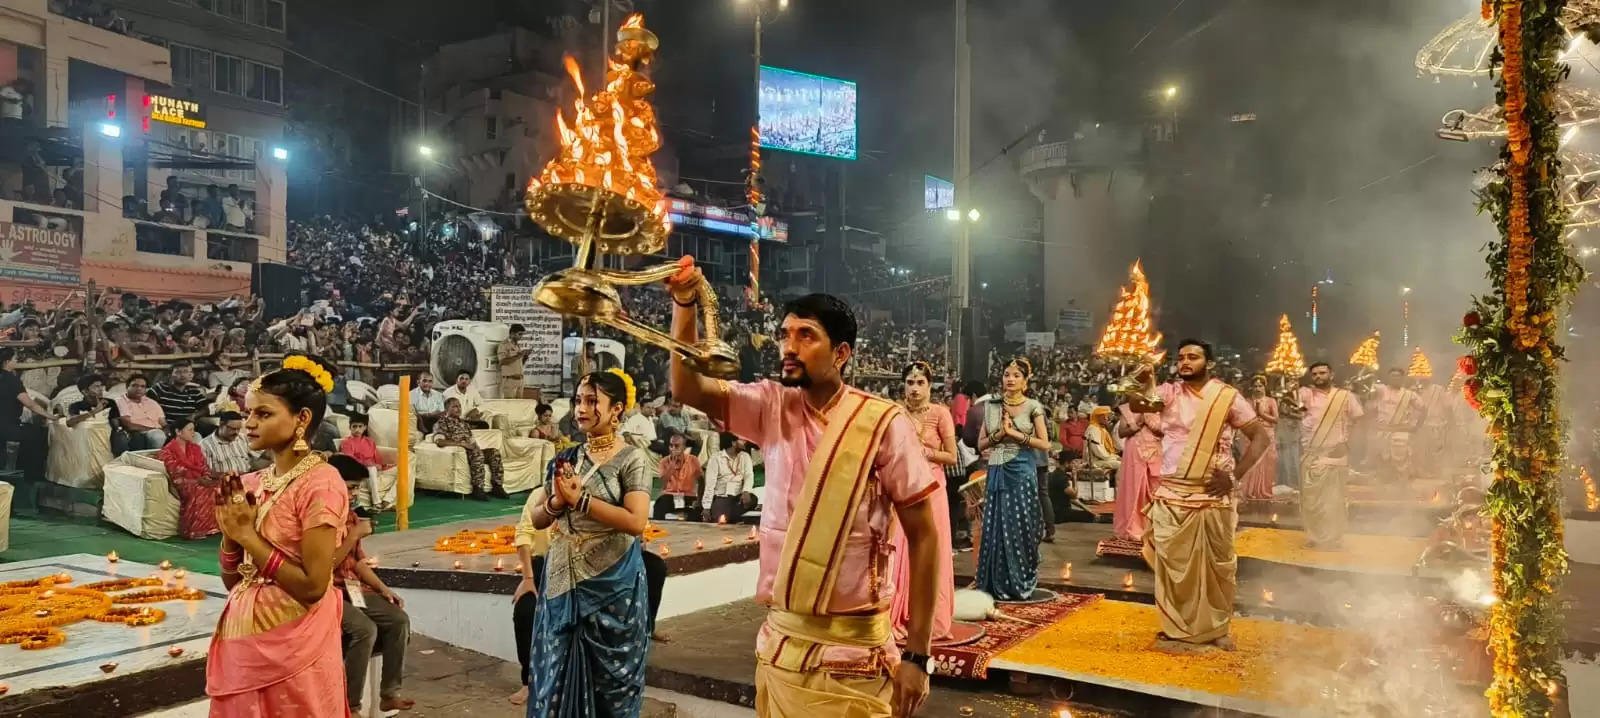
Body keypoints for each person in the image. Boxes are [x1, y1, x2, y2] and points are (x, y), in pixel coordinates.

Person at [668, 270, 936, 718]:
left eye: (806, 336)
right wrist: (683, 306)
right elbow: (687, 387)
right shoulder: (772, 405)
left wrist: (917, 656)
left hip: (856, 658)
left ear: (841, 352)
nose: (788, 347)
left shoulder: (884, 424)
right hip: (783, 649)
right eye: (784, 334)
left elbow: (925, 537)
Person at [207, 353, 348, 717]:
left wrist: (247, 536)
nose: (248, 423)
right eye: (248, 413)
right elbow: (234, 581)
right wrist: (230, 535)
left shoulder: (322, 484)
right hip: (241, 642)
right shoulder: (253, 482)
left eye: (263, 414)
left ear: (302, 419)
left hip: (295, 647)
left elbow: (314, 585)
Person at [1127, 339, 1270, 651]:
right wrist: (1137, 379)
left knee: (1217, 564)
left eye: (1193, 356)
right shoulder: (1168, 392)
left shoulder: (1227, 396)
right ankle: (1176, 625)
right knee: (1171, 564)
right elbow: (1137, 405)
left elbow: (1261, 435)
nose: (1185, 362)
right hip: (1172, 491)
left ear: (1210, 362)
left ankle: (1217, 628)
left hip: (1211, 493)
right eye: (1181, 358)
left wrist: (1234, 477)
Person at [524, 369, 653, 715]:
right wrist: (557, 502)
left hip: (612, 585)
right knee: (555, 677)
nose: (581, 408)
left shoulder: (632, 459)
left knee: (609, 688)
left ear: (616, 411)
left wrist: (582, 502)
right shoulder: (566, 459)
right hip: (563, 581)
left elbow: (636, 521)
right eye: (578, 400)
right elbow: (537, 518)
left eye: (592, 401)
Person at [326, 454, 414, 718]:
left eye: (356, 489)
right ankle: (351, 707)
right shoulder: (323, 516)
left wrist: (385, 590)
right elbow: (325, 566)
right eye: (350, 487)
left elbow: (357, 562)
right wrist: (353, 534)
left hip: (352, 588)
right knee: (365, 629)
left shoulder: (352, 516)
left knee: (399, 619)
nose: (353, 494)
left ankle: (389, 694)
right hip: (325, 590)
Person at [890, 361, 960, 643]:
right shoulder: (895, 413)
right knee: (899, 549)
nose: (915, 388)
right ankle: (898, 613)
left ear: (930, 386)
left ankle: (931, 617)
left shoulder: (940, 414)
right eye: (910, 383)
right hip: (902, 486)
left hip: (932, 488)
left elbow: (952, 457)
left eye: (920, 383)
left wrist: (924, 452)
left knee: (931, 547)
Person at [975, 358, 1051, 601]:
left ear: (1025, 381)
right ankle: (994, 581)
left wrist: (1015, 434)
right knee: (995, 525)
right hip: (997, 469)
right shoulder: (992, 406)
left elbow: (1045, 443)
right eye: (1007, 374)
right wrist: (999, 434)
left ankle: (1021, 579)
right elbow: (981, 444)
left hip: (1022, 473)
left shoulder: (1032, 406)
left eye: (1016, 375)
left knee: (1022, 526)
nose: (1010, 379)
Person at [1294, 362, 1364, 549]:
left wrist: (1348, 445)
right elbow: (1292, 410)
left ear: (1331, 375)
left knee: (1333, 500)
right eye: (1314, 374)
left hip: (1336, 454)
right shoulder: (1304, 394)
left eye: (1322, 373)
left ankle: (1333, 537)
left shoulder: (1345, 396)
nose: (1318, 377)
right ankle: (1315, 535)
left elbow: (1359, 421)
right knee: (1311, 499)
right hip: (1311, 454)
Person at [508, 475, 552, 706]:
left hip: (576, 564)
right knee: (525, 611)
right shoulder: (539, 495)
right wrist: (527, 578)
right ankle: (529, 682)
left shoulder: (585, 496)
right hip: (540, 562)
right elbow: (524, 533)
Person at [0, 347, 54, 489]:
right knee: (37, 435)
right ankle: (31, 478)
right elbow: (30, 404)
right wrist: (51, 416)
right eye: (15, 359)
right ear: (7, 362)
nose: (17, 361)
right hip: (7, 426)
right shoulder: (12, 380)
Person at [434, 397, 505, 500]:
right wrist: (462, 444)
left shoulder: (464, 423)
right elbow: (439, 442)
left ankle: (497, 486)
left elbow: (472, 440)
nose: (458, 409)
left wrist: (475, 446)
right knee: (476, 454)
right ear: (446, 409)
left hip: (471, 450)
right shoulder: (442, 423)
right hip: (461, 451)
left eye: (459, 406)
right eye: (454, 406)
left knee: (494, 452)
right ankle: (478, 489)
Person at [1113, 399, 1163, 542]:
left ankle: (1154, 528)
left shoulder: (1158, 405)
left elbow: (1165, 430)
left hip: (1155, 451)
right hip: (1135, 450)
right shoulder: (1128, 407)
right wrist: (1139, 423)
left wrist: (1151, 422)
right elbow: (1122, 432)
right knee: (1134, 489)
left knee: (1155, 488)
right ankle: (1133, 528)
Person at [162, 420, 220, 540]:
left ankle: (213, 527)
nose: (194, 433)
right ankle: (194, 530)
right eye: (190, 430)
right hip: (180, 482)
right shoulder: (168, 450)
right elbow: (176, 472)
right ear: (178, 432)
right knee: (201, 489)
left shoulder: (195, 448)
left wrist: (209, 476)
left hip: (198, 479)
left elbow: (203, 467)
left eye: (194, 429)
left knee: (220, 486)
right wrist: (198, 480)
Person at [1371, 368, 1420, 482]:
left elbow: (1422, 409)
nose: (1395, 378)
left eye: (1398, 376)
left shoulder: (1409, 394)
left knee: (1401, 461)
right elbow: (1364, 387)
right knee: (1382, 460)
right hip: (1382, 431)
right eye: (1393, 376)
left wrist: (1416, 426)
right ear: (1388, 377)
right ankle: (1383, 488)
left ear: (1402, 378)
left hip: (1401, 432)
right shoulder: (1380, 390)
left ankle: (1402, 487)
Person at [1238, 376, 1280, 500]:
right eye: (1255, 386)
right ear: (1252, 387)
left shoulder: (1271, 401)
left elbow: (1276, 419)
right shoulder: (1247, 401)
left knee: (1267, 463)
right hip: (1252, 435)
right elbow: (1243, 419)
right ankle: (1250, 490)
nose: (1258, 388)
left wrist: (1262, 414)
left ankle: (1264, 490)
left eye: (1260, 386)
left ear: (1264, 387)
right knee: (1252, 462)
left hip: (1268, 434)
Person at [701, 433, 755, 523]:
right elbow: (710, 485)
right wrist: (706, 507)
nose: (745, 442)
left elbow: (749, 476)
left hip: (739, 497)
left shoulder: (745, 456)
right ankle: (730, 516)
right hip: (722, 497)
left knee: (753, 499)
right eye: (742, 440)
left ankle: (730, 516)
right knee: (720, 516)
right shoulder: (716, 458)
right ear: (733, 443)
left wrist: (746, 491)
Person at [67, 374, 126, 456]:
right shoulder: (76, 406)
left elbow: (116, 424)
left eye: (101, 385)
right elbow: (69, 422)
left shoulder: (109, 402)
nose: (101, 389)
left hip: (108, 436)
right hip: (87, 438)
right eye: (96, 387)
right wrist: (94, 411)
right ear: (85, 391)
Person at [148, 364, 211, 433]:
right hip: (166, 427)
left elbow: (206, 408)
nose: (182, 375)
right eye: (178, 372)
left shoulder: (194, 391)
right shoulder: (160, 388)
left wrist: (194, 415)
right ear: (170, 375)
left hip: (188, 427)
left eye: (186, 372)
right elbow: (146, 403)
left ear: (190, 375)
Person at [654, 431, 702, 521]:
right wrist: (671, 465)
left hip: (688, 495)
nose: (673, 448)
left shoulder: (693, 460)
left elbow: (701, 481)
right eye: (671, 445)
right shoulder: (664, 461)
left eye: (676, 446)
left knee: (697, 509)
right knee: (659, 505)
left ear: (684, 447)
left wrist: (699, 499)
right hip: (670, 496)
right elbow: (663, 484)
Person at [200, 410, 260, 477]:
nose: (236, 433)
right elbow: (206, 472)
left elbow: (262, 455)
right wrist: (225, 474)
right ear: (221, 424)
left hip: (247, 478)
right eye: (233, 429)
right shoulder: (205, 445)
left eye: (238, 429)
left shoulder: (242, 438)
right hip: (224, 481)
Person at [1084, 407, 1121, 472]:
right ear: (1097, 417)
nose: (1106, 418)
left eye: (1107, 416)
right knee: (1122, 464)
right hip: (1095, 462)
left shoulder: (1101, 428)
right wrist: (1115, 457)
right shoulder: (1093, 429)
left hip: (1103, 459)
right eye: (1104, 416)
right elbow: (1099, 452)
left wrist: (1115, 457)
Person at [498, 324, 529, 399]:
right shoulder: (504, 345)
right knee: (509, 406)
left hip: (520, 381)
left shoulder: (517, 346)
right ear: (512, 334)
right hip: (510, 381)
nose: (521, 337)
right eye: (519, 334)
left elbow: (519, 363)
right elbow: (502, 362)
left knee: (519, 406)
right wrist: (519, 355)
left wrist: (525, 357)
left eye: (522, 334)